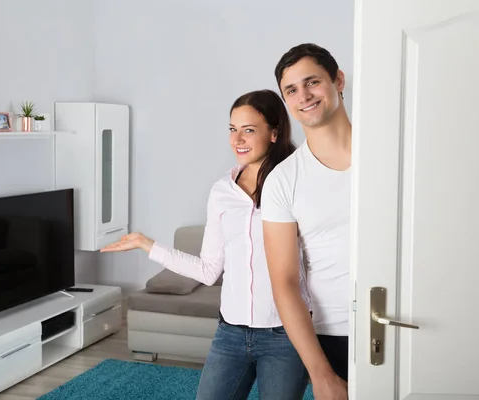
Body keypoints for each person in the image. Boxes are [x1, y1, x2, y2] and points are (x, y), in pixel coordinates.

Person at [100, 89, 311, 400]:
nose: (237, 139)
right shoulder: (222, 191)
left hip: (286, 334)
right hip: (230, 333)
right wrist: (147, 244)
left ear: (274, 132)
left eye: (249, 130)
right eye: (232, 129)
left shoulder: (298, 183)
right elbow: (210, 270)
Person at [260, 43, 351, 400]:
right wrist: (321, 375)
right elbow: (284, 282)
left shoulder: (390, 151)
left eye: (312, 82)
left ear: (338, 80)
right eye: (292, 90)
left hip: (403, 322)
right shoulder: (283, 181)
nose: (304, 96)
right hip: (334, 334)